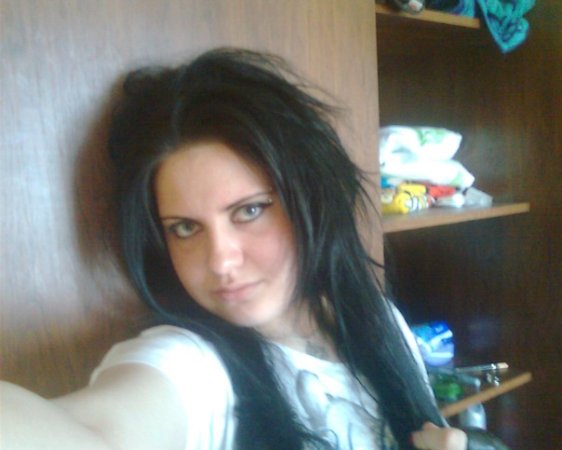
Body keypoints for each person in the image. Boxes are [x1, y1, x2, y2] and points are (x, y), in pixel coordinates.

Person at [2, 48, 486, 450]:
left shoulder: (383, 322)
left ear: (310, 197)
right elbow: (95, 434)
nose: (220, 261)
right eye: (185, 228)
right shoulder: (194, 370)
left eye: (250, 211)